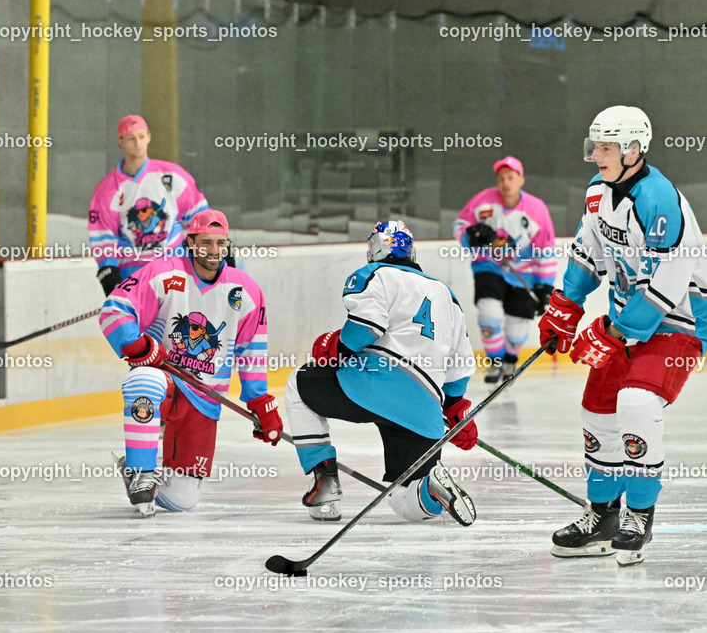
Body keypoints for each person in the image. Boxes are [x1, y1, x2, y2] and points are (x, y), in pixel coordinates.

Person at [539, 105, 707, 566]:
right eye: (595, 145)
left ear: (634, 149)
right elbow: (587, 255)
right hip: (629, 322)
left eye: (607, 147)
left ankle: (639, 514)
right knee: (596, 407)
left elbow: (668, 284)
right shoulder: (598, 194)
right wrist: (565, 306)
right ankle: (603, 516)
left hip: (678, 324)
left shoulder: (660, 200)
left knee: (636, 402)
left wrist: (615, 331)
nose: (597, 154)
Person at [283, 221, 480, 524]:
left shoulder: (373, 274)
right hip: (425, 406)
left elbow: (366, 328)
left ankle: (324, 479)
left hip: (372, 386)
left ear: (374, 248)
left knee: (299, 382)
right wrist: (454, 407)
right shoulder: (446, 294)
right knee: (405, 500)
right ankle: (431, 487)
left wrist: (334, 346)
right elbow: (460, 365)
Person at [99, 209, 282, 516]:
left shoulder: (246, 290)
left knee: (181, 502)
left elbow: (251, 349)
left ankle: (140, 470)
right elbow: (114, 311)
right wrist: (138, 345)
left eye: (221, 243)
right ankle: (141, 472)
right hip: (165, 380)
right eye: (206, 242)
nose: (214, 250)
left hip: (204, 397)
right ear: (190, 242)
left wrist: (260, 399)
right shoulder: (163, 273)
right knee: (143, 381)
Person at [453, 156, 558, 382]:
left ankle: (510, 360)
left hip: (525, 274)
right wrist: (471, 237)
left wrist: (545, 286)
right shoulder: (482, 201)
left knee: (516, 324)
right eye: (501, 178)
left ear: (521, 179)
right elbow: (460, 225)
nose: (505, 183)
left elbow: (546, 249)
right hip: (489, 266)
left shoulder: (537, 209)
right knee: (488, 311)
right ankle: (495, 363)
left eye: (511, 177)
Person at [88, 115, 210, 296]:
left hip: (174, 270)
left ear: (149, 137)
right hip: (133, 276)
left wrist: (220, 257)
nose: (137, 143)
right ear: (120, 142)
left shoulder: (172, 176)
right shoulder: (107, 191)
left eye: (141, 136)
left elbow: (202, 221)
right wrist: (111, 282)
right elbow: (104, 242)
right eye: (131, 138)